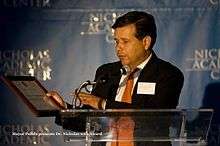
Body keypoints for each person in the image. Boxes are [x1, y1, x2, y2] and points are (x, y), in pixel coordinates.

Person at [44, 11, 184, 146]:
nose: (118, 48)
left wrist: (104, 105)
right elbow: (88, 122)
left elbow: (155, 119)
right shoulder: (107, 72)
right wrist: (64, 110)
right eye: (116, 41)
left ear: (146, 42)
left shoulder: (168, 74)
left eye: (125, 41)